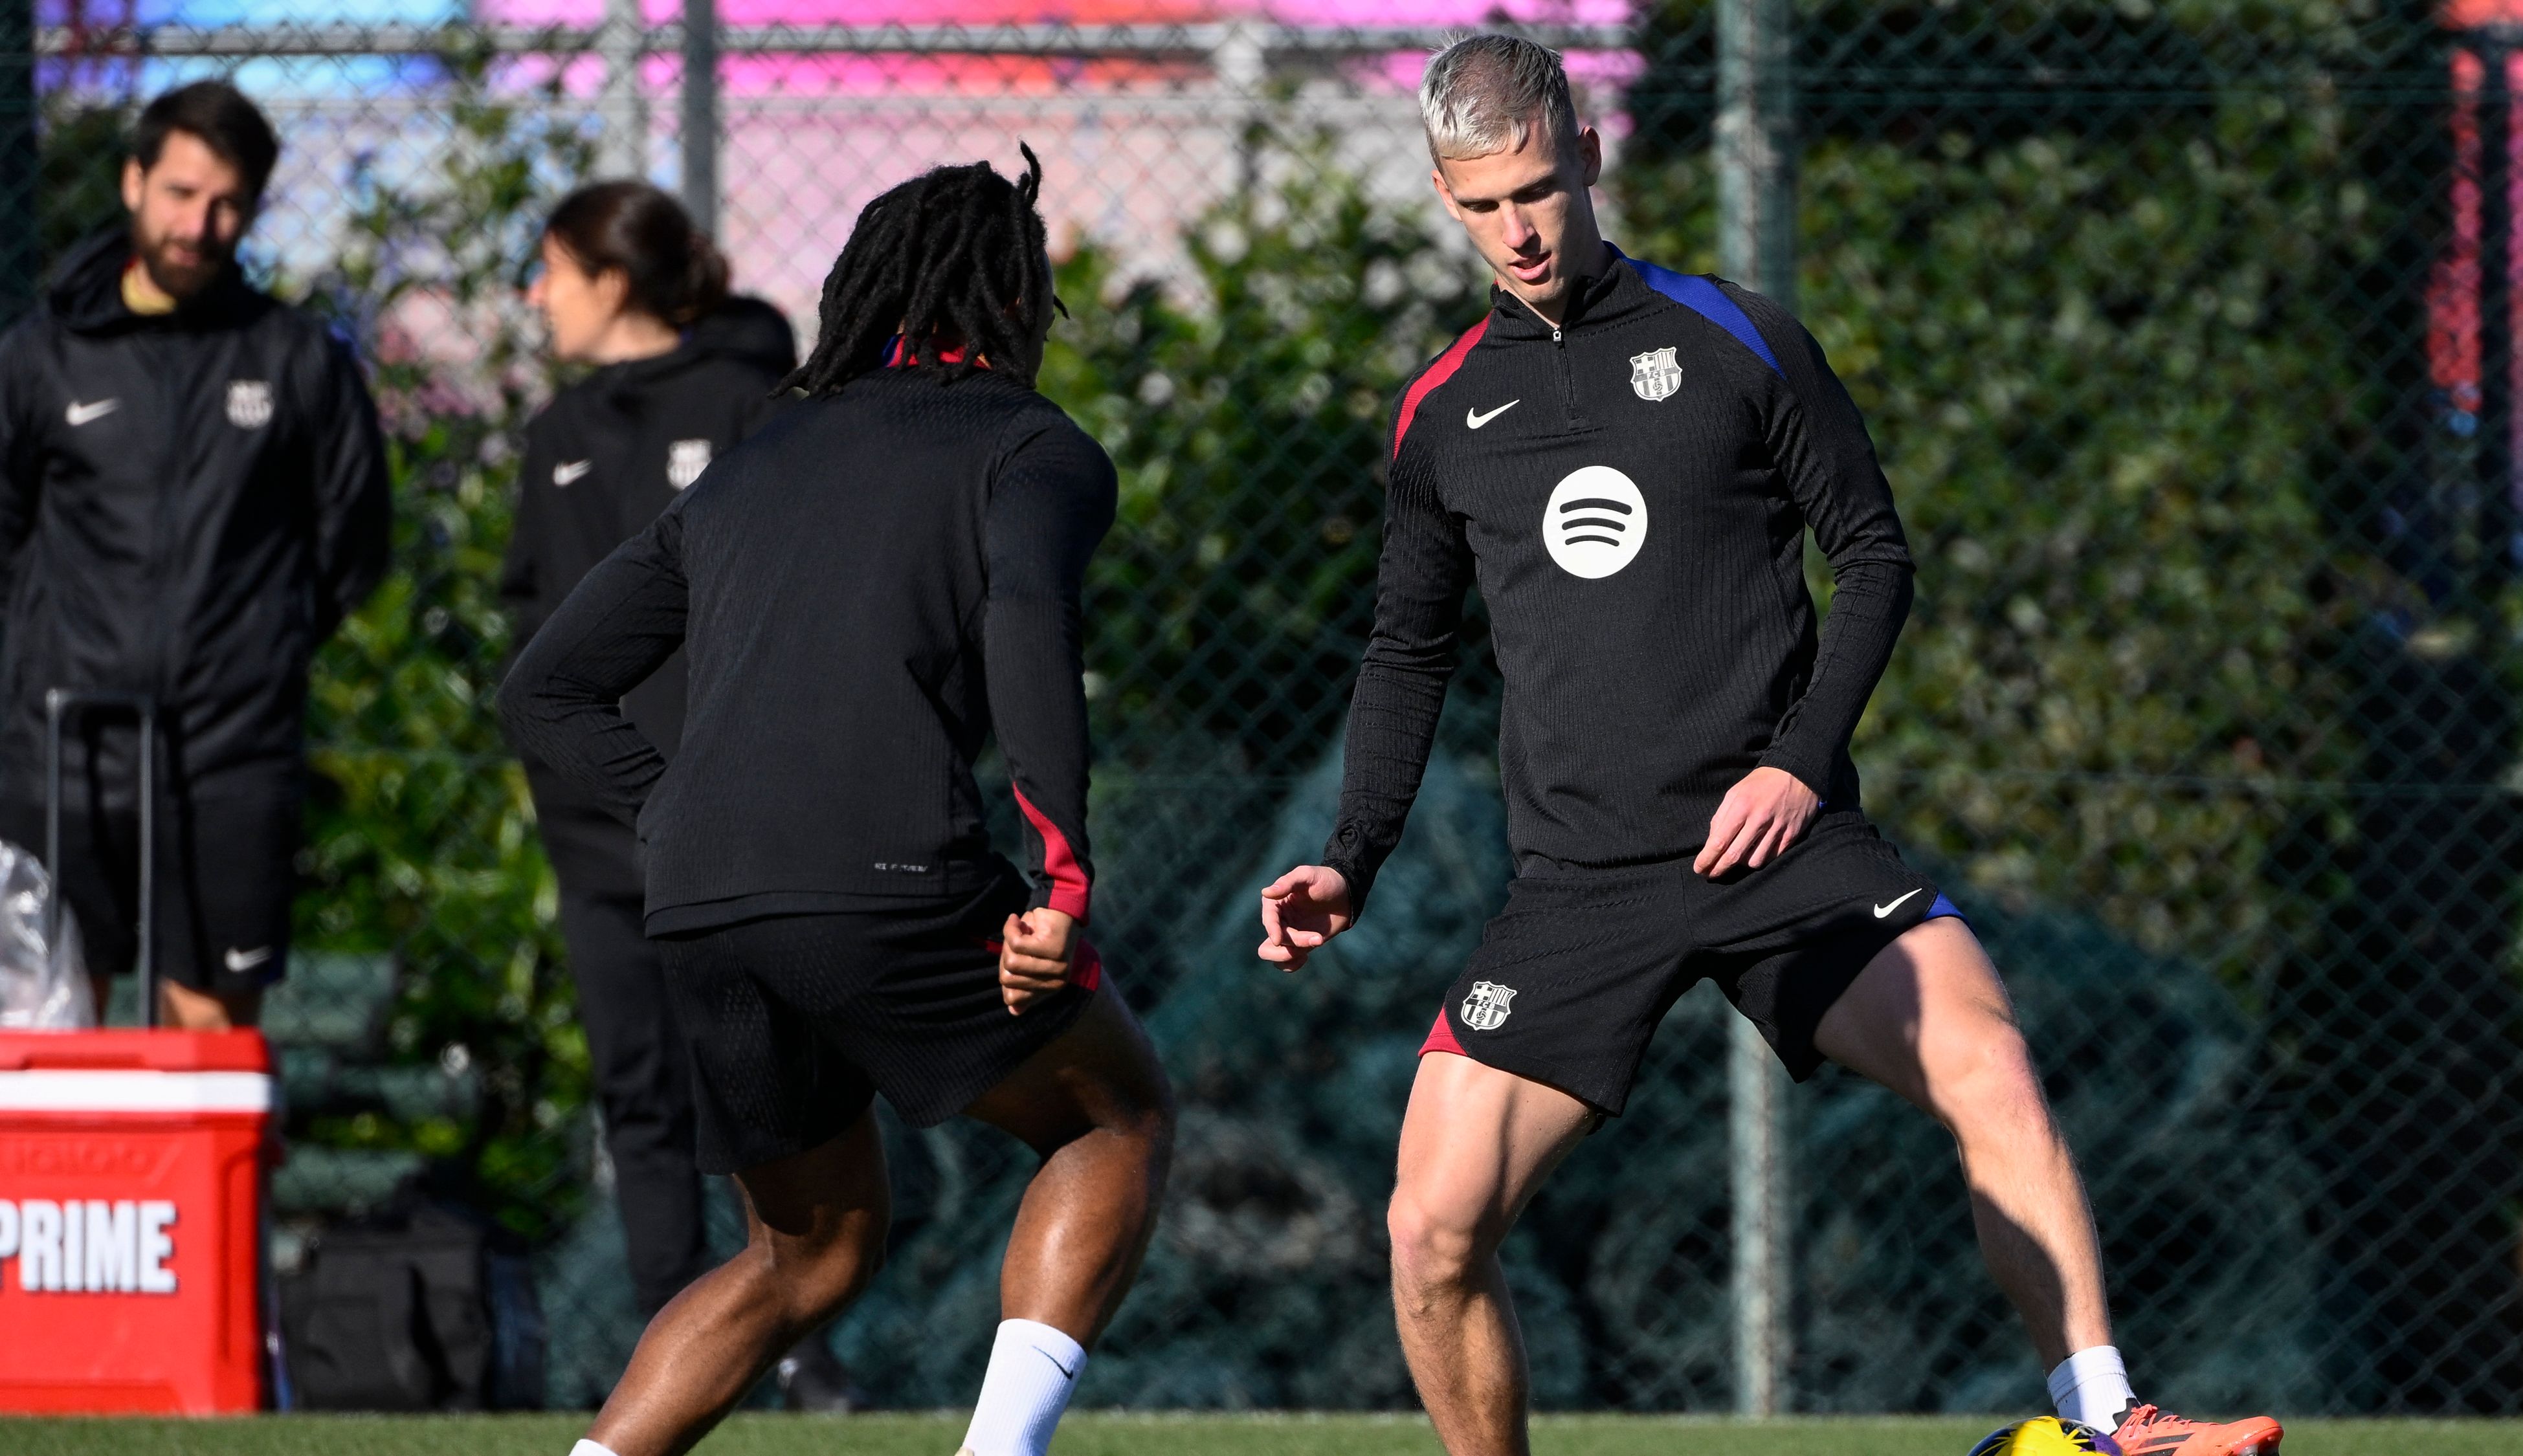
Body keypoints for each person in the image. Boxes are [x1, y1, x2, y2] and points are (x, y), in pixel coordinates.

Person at [1253, 36, 2283, 1456]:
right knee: (1427, 1233)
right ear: (1444, 196)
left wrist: (1797, 760)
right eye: (1487, 204)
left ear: (1589, 158)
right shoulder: (1442, 421)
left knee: (1986, 1058)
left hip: (1779, 849)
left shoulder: (1731, 339)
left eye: (1543, 188)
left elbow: (1871, 553)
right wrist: (1349, 858)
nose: (1525, 229)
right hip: (1578, 888)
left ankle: (2104, 1427)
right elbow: (1405, 653)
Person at [500, 148, 1172, 1456]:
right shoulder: (1033, 448)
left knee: (805, 1251)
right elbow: (1029, 623)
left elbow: (545, 691)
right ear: (1015, 303)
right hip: (889, 882)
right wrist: (1061, 884)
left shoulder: (758, 456)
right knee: (1116, 1117)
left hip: (697, 897)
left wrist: (674, 805)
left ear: (869, 295)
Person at [502, 180, 852, 1407]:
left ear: (612, 277)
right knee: (637, 1094)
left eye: (547, 266)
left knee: (757, 1087)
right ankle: (676, 1350)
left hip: (726, 827)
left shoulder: (747, 401)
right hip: (595, 838)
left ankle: (798, 1341)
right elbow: (534, 631)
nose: (533, 295)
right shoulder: (553, 433)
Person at [0, 80, 390, 1030]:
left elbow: (354, 543)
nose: (198, 224)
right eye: (179, 193)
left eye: (225, 203)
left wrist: (257, 650)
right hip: (61, 748)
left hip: (229, 753)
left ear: (252, 209)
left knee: (207, 1033)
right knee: (49, 1026)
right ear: (133, 182)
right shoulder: (43, 359)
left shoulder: (298, 360)